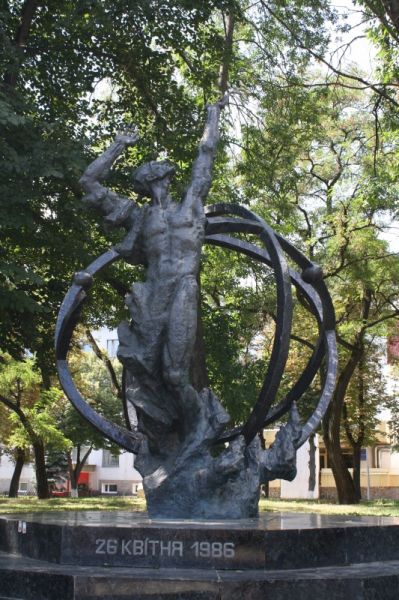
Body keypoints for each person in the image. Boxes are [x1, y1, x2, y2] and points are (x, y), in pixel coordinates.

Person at [79, 97, 228, 444]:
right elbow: (88, 182)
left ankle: (198, 433)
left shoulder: (193, 203)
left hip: (183, 290)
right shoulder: (139, 216)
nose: (156, 178)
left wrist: (213, 113)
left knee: (175, 373)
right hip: (152, 299)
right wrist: (118, 145)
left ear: (167, 176)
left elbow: (206, 154)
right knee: (144, 370)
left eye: (159, 173)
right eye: (149, 176)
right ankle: (168, 437)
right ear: (144, 183)